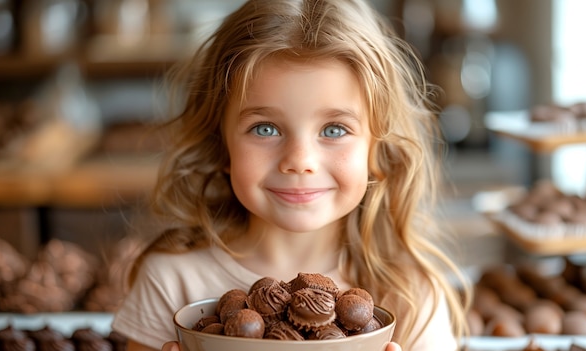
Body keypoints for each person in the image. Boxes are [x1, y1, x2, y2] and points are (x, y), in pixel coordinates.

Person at [111, 0, 472, 350]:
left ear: (376, 150)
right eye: (265, 128)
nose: (300, 160)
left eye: (333, 130)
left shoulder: (410, 294)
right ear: (220, 146)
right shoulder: (172, 283)